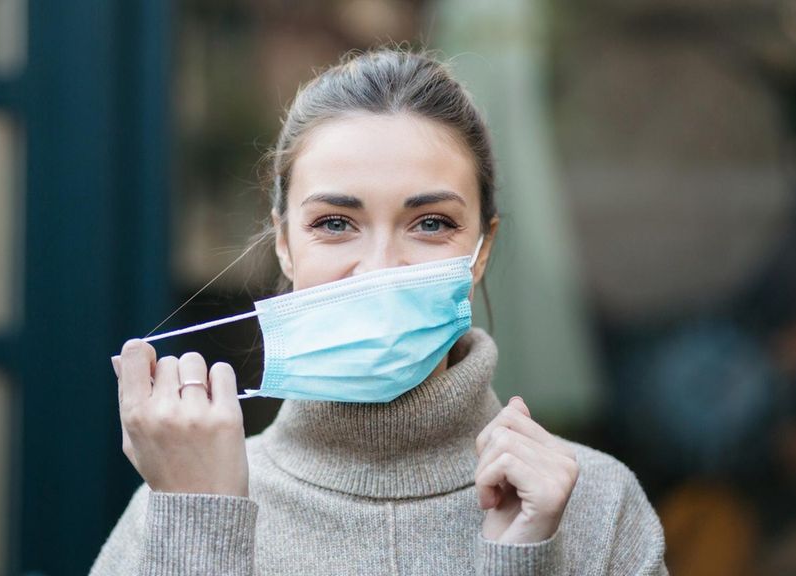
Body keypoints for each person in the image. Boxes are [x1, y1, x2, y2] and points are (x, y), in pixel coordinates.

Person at [91, 46, 668, 575]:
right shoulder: (177, 504)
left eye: (431, 223)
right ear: (285, 244)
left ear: (481, 251)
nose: (381, 268)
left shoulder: (596, 503)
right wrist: (202, 528)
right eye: (335, 224)